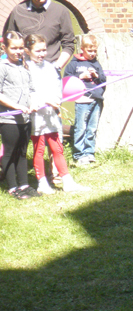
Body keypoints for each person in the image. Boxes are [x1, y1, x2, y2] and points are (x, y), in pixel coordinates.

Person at [25, 34, 89, 193]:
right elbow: (28, 92)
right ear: (28, 51)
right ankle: (42, 182)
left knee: (57, 148)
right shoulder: (26, 69)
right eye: (37, 51)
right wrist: (44, 101)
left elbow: (57, 87)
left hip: (52, 115)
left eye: (44, 50)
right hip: (36, 116)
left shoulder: (50, 67)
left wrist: (56, 100)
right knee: (39, 149)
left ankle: (67, 181)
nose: (42, 54)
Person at [4, 0, 75, 70]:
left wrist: (56, 67)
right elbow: (10, 41)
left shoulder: (61, 11)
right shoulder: (18, 11)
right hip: (23, 69)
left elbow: (69, 44)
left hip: (50, 69)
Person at [0, 31, 39, 199]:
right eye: (14, 48)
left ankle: (24, 184)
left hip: (25, 118)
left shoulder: (24, 66)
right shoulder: (2, 67)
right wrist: (17, 106)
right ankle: (12, 187)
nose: (18, 52)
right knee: (10, 152)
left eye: (21, 48)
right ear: (4, 48)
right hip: (9, 118)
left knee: (22, 151)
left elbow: (32, 90)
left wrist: (33, 103)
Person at [63, 34, 105, 166]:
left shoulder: (96, 63)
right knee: (80, 127)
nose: (92, 54)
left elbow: (103, 80)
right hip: (82, 99)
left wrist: (95, 75)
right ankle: (79, 154)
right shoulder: (74, 63)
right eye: (89, 51)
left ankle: (89, 152)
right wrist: (80, 77)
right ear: (82, 49)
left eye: (94, 51)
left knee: (92, 128)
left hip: (96, 99)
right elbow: (67, 80)